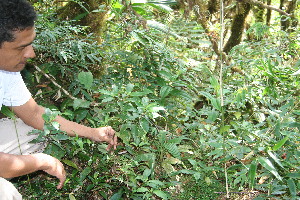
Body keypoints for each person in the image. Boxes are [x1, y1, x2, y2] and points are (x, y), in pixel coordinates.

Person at [0, 0, 118, 199]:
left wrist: (91, 133)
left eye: (31, 43)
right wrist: (41, 161)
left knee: (36, 132)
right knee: (7, 194)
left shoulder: (6, 71)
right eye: (21, 47)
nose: (31, 53)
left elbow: (35, 114)